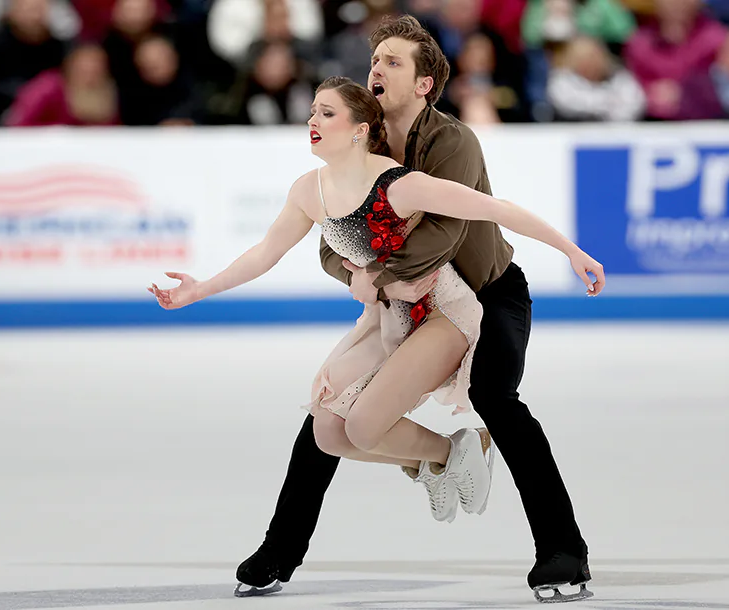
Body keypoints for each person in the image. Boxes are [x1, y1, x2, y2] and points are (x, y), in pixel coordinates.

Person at [233, 15, 600, 604]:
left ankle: (563, 551)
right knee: (330, 405)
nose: (375, 69)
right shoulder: (362, 142)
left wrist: (376, 277)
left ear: (424, 83)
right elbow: (333, 239)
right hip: (402, 304)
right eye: (374, 60)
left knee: (496, 400)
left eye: (392, 61)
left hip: (486, 292)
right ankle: (281, 550)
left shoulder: (452, 141)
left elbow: (444, 235)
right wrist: (358, 276)